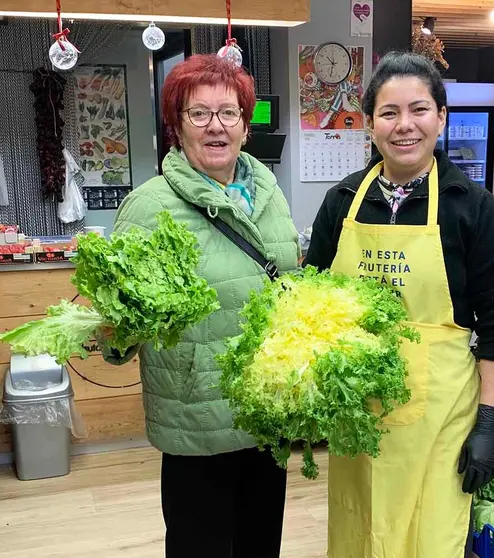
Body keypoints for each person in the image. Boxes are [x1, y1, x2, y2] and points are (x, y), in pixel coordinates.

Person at [304, 51, 494, 558]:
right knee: (361, 526)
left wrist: (491, 423)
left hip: (441, 413)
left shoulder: (473, 207)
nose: (405, 126)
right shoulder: (343, 200)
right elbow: (311, 301)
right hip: (356, 409)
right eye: (389, 112)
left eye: (419, 110)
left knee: (430, 534)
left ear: (441, 118)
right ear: (370, 123)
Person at [105, 54, 300, 557]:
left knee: (261, 546)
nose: (217, 126)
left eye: (230, 113)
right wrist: (113, 327)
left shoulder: (269, 193)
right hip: (197, 418)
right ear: (177, 125)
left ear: (245, 124)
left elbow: (289, 281)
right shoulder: (148, 207)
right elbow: (120, 321)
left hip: (267, 410)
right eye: (199, 114)